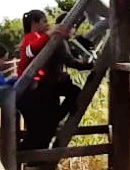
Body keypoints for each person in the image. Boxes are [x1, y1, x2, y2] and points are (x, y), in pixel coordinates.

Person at [16, 10, 86, 149]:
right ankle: (22, 157)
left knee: (43, 130)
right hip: (31, 91)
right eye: (44, 21)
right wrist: (49, 34)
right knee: (39, 132)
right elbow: (30, 50)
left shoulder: (41, 37)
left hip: (39, 87)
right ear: (34, 24)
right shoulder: (32, 37)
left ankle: (30, 159)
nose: (48, 24)